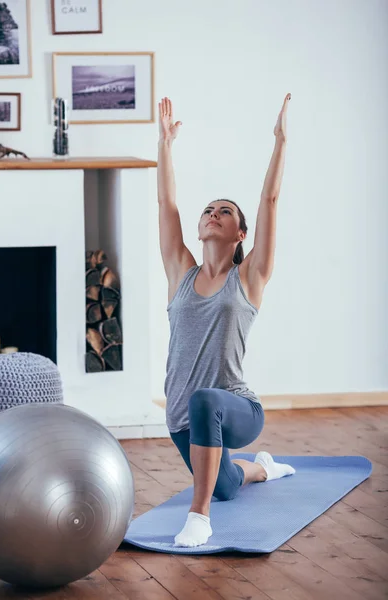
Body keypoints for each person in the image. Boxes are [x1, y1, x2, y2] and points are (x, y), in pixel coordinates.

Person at [157, 96, 295, 548]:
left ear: (240, 233)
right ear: (199, 229)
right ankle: (263, 468)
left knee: (205, 402)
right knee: (228, 484)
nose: (213, 213)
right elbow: (167, 203)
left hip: (237, 409)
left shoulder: (249, 277)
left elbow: (270, 199)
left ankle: (198, 518)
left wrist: (280, 143)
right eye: (208, 210)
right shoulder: (181, 271)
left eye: (225, 211)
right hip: (182, 418)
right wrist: (165, 145)